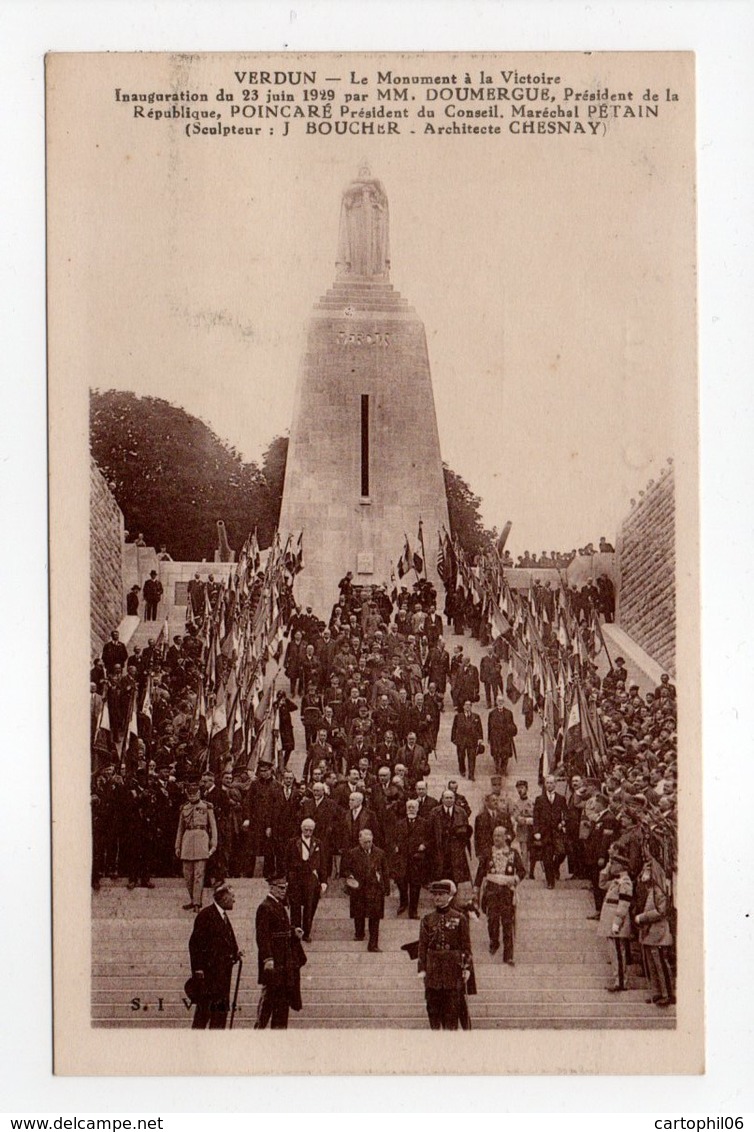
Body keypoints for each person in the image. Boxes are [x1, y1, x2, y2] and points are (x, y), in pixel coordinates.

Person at [417, 879, 474, 1030]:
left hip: (452, 970)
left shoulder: (459, 918)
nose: (437, 898)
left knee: (451, 1012)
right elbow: (422, 946)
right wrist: (422, 969)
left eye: (441, 894)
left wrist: (467, 968)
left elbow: (466, 946)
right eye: (435, 895)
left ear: (449, 896)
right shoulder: (427, 920)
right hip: (433, 970)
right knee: (433, 1010)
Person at [254, 875, 307, 1029]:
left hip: (285, 963)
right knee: (268, 1003)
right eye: (281, 888)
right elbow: (262, 935)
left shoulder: (278, 905)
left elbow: (281, 929)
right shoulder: (265, 906)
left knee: (282, 1003)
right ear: (272, 887)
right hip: (274, 963)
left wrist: (292, 931)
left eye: (285, 888)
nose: (284, 891)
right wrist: (267, 959)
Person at [187, 881, 241, 1029]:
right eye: (232, 897)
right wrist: (198, 969)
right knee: (203, 1015)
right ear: (223, 898)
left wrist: (235, 952)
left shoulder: (223, 916)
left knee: (220, 1016)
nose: (234, 900)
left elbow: (227, 940)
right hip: (209, 978)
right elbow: (195, 944)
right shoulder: (206, 915)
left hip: (223, 976)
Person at [474, 826, 526, 965]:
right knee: (492, 921)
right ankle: (494, 942)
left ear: (505, 837)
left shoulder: (513, 853)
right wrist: (476, 889)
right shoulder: (487, 853)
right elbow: (480, 873)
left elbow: (522, 871)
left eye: (499, 836)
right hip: (491, 892)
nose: (496, 838)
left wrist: (514, 879)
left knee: (507, 923)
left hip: (506, 893)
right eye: (495, 835)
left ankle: (508, 955)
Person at [634, 857, 675, 1007]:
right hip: (651, 933)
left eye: (647, 871)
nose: (643, 874)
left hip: (659, 932)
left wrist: (642, 917)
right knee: (652, 964)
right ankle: (658, 992)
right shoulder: (649, 889)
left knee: (660, 964)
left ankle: (667, 994)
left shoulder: (658, 890)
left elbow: (661, 911)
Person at [343, 828, 391, 951]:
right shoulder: (352, 853)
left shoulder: (380, 853)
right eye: (365, 842)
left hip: (375, 889)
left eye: (369, 841)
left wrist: (386, 888)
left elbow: (385, 871)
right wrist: (350, 877)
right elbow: (346, 869)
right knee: (359, 913)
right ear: (359, 840)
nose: (367, 844)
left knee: (375, 917)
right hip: (359, 888)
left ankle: (373, 944)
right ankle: (359, 933)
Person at [175, 780, 217, 912]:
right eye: (190, 794)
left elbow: (213, 826)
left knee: (199, 873)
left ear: (199, 793)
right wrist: (177, 846)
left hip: (201, 840)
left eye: (195, 793)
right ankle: (192, 899)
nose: (192, 796)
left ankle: (197, 902)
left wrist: (214, 843)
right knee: (187, 874)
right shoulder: (184, 808)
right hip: (187, 840)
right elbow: (180, 829)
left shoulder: (207, 807)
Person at [285, 818, 327, 942]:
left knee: (310, 906)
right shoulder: (292, 843)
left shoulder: (318, 843)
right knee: (295, 906)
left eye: (310, 830)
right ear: (301, 828)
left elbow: (323, 863)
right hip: (295, 877)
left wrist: (324, 881)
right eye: (305, 829)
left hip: (311, 877)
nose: (308, 832)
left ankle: (307, 932)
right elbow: (286, 862)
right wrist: (287, 879)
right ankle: (296, 932)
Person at [598, 850, 634, 992]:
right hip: (611, 922)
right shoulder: (615, 881)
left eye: (613, 863)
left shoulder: (625, 882)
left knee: (618, 953)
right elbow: (601, 884)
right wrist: (606, 868)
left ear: (620, 866)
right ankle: (618, 979)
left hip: (616, 923)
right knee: (614, 952)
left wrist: (617, 922)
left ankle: (621, 981)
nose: (611, 866)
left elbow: (624, 904)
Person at [391, 798, 430, 918]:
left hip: (416, 859)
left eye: (413, 807)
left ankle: (413, 910)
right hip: (402, 858)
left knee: (415, 885)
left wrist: (424, 844)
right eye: (409, 807)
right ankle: (403, 903)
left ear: (418, 809)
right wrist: (395, 847)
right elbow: (393, 838)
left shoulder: (424, 823)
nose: (411, 809)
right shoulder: (399, 823)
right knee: (401, 883)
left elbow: (429, 838)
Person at [532, 774, 568, 889]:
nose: (549, 785)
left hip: (557, 833)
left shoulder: (561, 798)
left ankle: (555, 866)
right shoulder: (539, 799)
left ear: (555, 784)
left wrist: (562, 823)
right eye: (547, 783)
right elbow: (536, 817)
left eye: (552, 783)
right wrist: (536, 831)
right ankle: (550, 881)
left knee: (561, 853)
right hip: (545, 833)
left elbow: (566, 814)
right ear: (545, 784)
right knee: (547, 857)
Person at [450, 700, 484, 781]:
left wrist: (480, 738)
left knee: (472, 758)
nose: (468, 707)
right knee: (461, 756)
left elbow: (479, 729)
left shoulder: (476, 717)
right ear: (463, 707)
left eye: (469, 705)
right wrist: (454, 739)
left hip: (472, 741)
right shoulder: (458, 716)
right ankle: (462, 770)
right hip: (461, 740)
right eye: (466, 705)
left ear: (471, 706)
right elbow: (454, 728)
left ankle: (471, 774)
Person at [487, 694, 518, 776]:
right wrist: (489, 738)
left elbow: (512, 724)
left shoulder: (509, 713)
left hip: (505, 737)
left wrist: (511, 729)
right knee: (496, 754)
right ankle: (497, 769)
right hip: (495, 737)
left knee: (505, 754)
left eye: (501, 701)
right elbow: (489, 726)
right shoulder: (492, 713)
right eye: (498, 701)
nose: (500, 702)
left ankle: (503, 770)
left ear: (503, 702)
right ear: (496, 702)